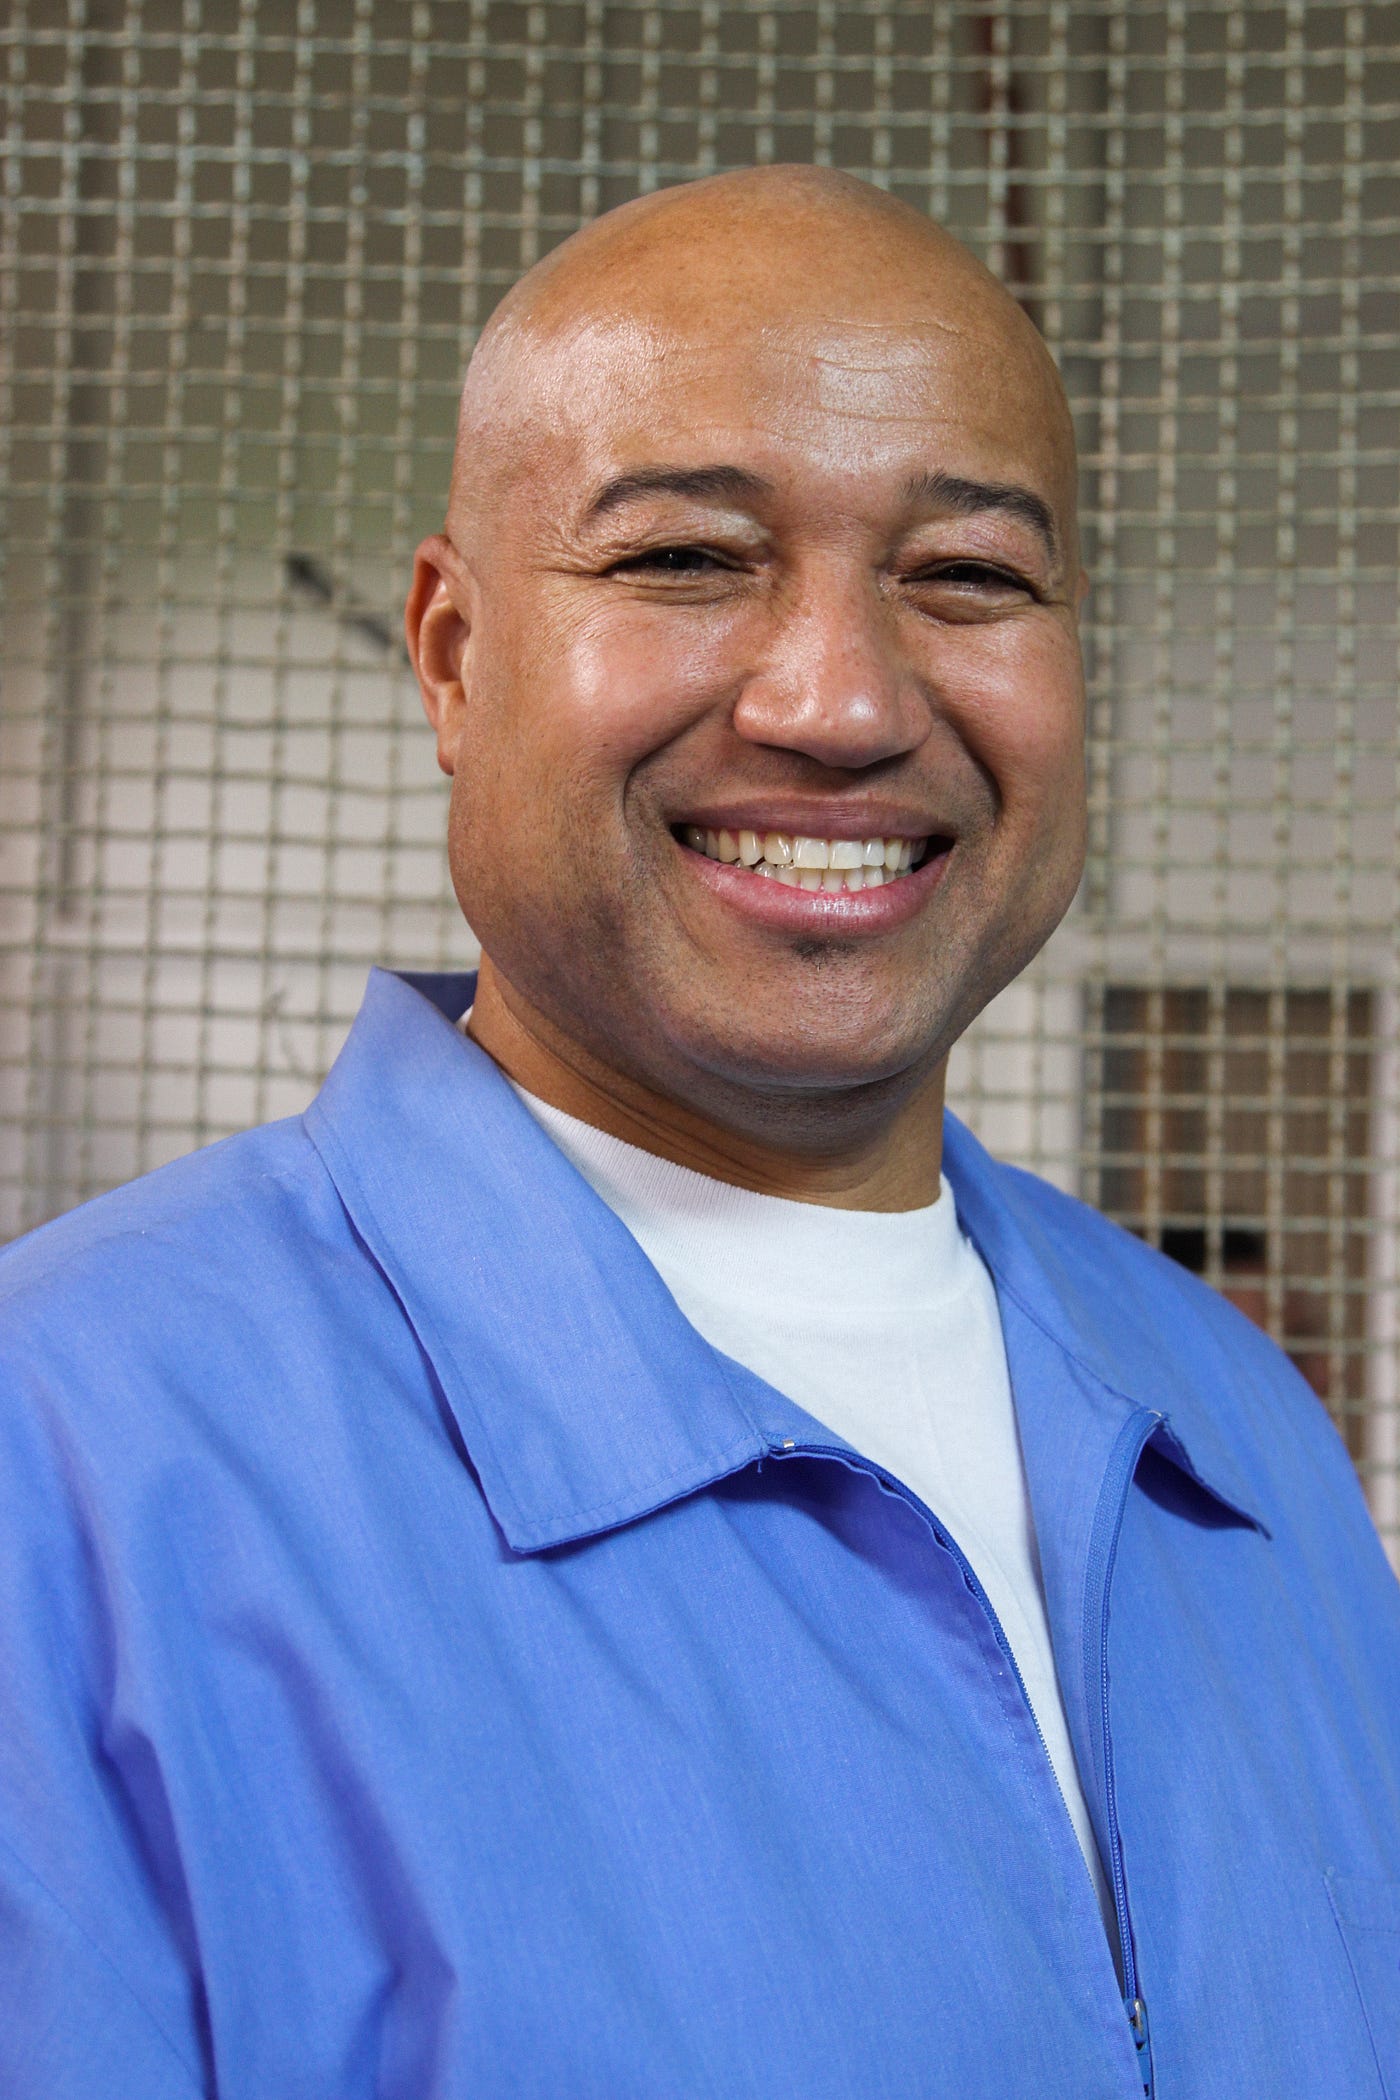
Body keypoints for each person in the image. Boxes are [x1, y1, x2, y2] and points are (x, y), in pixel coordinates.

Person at [1, 166, 1397, 2100]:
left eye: (969, 576)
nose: (840, 701)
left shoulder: (1238, 1433)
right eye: (684, 557)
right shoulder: (70, 1464)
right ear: (454, 654)